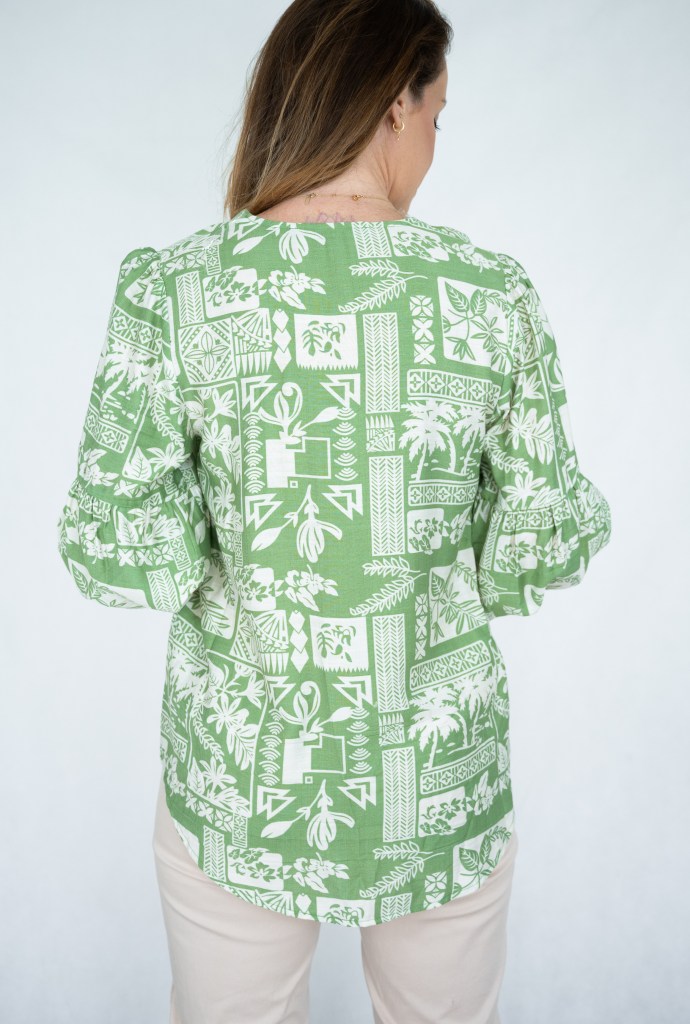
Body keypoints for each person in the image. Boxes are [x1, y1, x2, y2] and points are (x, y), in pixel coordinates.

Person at [56, 1, 612, 1021]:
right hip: (436, 776)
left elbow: (117, 546)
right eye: (437, 116)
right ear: (396, 102)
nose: (433, 143)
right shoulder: (488, 294)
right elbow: (541, 542)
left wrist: (240, 539)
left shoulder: (176, 291)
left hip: (243, 778)